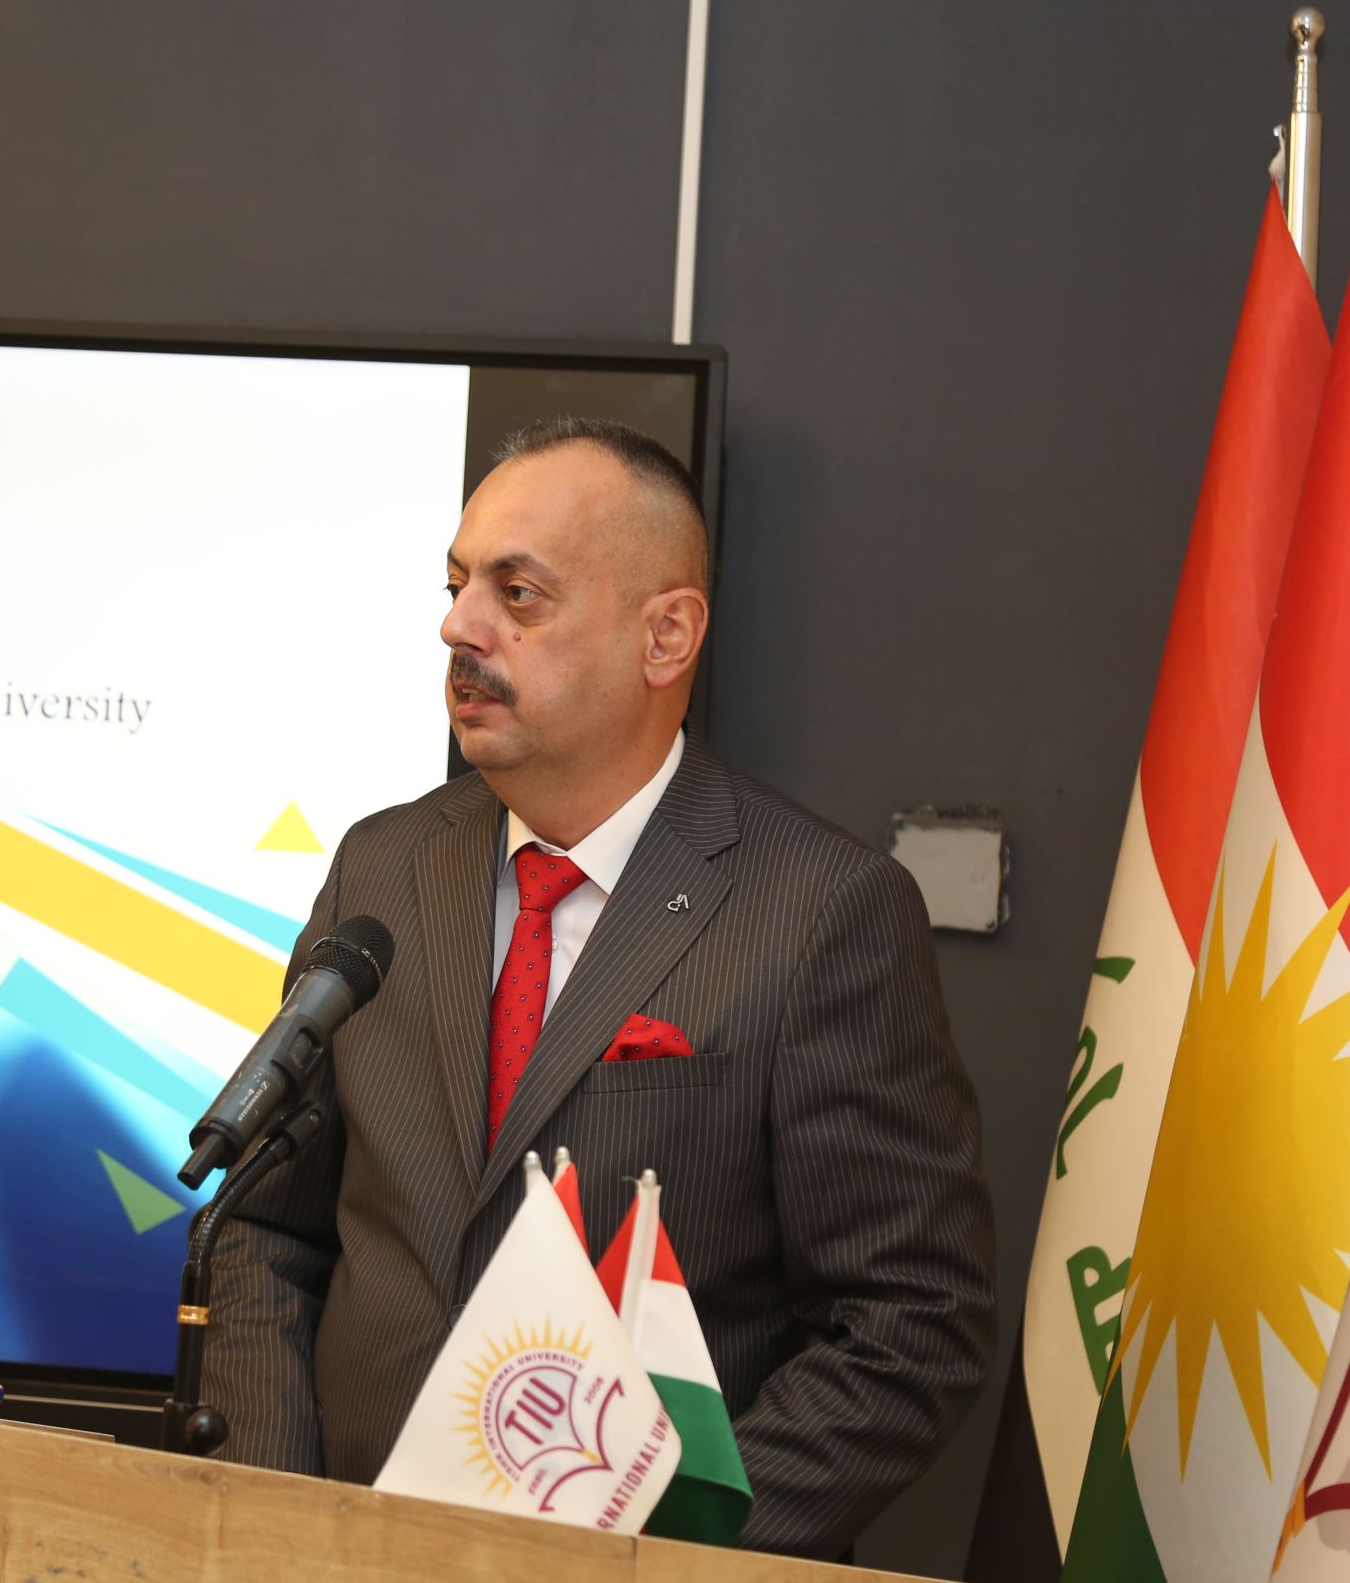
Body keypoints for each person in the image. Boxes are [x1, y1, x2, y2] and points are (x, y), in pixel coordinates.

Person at [203, 417, 994, 1558]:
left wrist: (652, 1554)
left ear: (665, 636)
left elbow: (910, 1325)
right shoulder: (383, 867)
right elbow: (266, 1229)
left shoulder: (821, 911)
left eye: (518, 594)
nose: (459, 626)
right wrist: (276, 1524)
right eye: (457, 585)